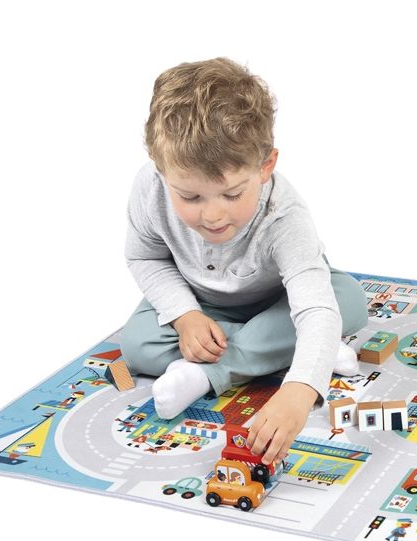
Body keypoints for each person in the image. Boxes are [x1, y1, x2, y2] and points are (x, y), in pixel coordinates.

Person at [119, 58, 369, 465]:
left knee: (347, 302)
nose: (213, 216)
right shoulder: (149, 189)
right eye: (190, 197)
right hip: (202, 305)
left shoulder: (284, 216)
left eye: (232, 194)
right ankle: (292, 349)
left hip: (279, 302)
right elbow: (144, 256)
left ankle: (208, 374)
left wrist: (300, 389)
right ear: (160, 171)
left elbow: (314, 307)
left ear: (265, 166)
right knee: (137, 345)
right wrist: (184, 316)